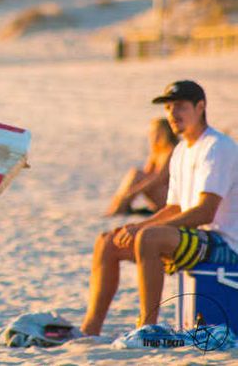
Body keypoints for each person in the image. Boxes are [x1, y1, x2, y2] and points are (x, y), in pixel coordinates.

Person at [81, 80, 238, 336]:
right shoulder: (181, 151)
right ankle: (89, 331)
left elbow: (205, 212)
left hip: (226, 244)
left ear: (200, 107)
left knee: (149, 239)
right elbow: (175, 207)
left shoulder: (217, 147)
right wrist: (136, 226)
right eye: (168, 108)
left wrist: (148, 230)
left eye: (180, 107)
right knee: (108, 241)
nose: (173, 114)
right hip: (194, 237)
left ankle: (148, 329)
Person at [106, 117, 178, 216]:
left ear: (167, 133)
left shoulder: (171, 150)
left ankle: (119, 208)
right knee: (136, 174)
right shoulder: (157, 151)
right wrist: (125, 194)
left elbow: (159, 178)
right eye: (152, 133)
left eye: (158, 132)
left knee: (138, 177)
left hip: (169, 199)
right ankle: (118, 205)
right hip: (160, 194)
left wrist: (133, 193)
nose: (154, 136)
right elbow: (146, 174)